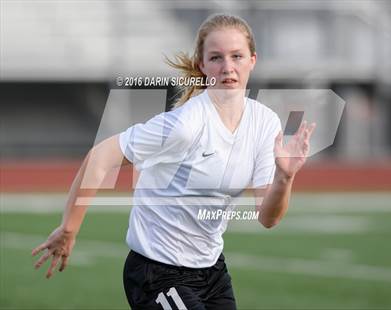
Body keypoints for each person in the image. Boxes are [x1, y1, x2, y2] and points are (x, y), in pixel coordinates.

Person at [32, 13, 315, 309]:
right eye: (216, 58)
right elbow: (100, 157)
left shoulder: (265, 123)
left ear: (252, 60)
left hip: (212, 271)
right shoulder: (186, 124)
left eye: (237, 56)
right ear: (202, 65)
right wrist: (69, 228)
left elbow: (268, 218)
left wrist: (285, 178)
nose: (228, 67)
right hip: (156, 271)